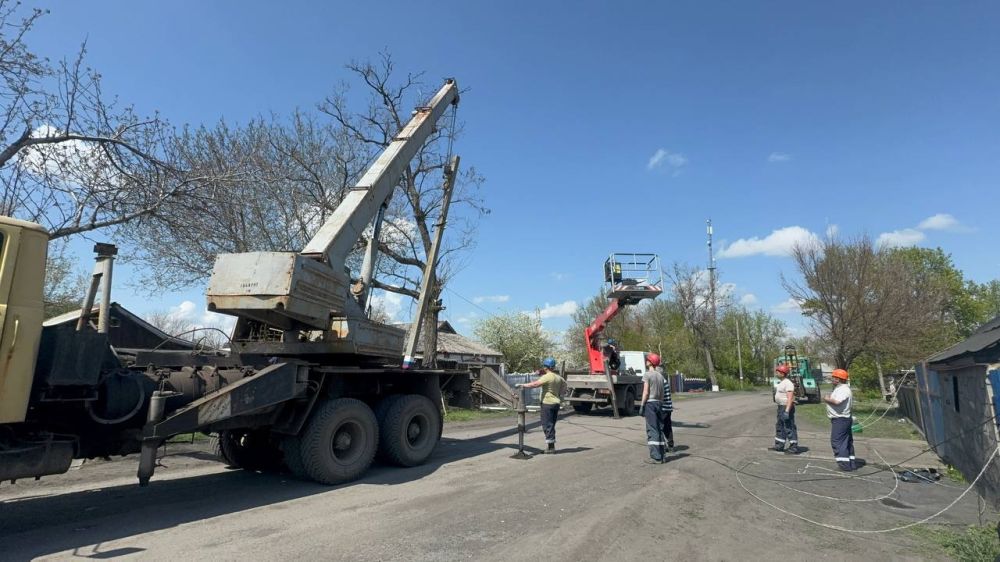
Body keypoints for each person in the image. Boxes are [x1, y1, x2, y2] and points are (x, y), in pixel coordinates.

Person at [516, 357, 566, 454]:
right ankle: (551, 445)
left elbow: (535, 384)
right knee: (551, 424)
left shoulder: (547, 376)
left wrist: (522, 385)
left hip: (547, 403)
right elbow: (564, 387)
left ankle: (551, 448)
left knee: (547, 424)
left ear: (545, 367)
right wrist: (558, 394)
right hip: (556, 403)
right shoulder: (559, 377)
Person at [823, 368, 855, 471]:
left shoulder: (843, 390)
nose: (832, 379)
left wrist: (827, 399)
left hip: (841, 419)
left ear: (839, 379)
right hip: (841, 418)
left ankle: (844, 464)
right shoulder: (840, 388)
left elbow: (837, 402)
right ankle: (850, 462)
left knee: (837, 441)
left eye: (834, 377)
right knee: (846, 441)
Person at [640, 353, 668, 464]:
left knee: (652, 430)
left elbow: (645, 392)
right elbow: (662, 394)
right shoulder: (661, 376)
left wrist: (642, 405)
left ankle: (655, 457)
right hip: (660, 404)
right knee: (660, 429)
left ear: (651, 362)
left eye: (647, 360)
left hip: (650, 405)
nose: (646, 361)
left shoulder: (647, 375)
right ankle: (662, 456)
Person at [770, 364, 800, 454]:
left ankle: (793, 447)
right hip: (780, 407)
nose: (776, 373)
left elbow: (790, 398)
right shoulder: (782, 382)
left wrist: (787, 411)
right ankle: (779, 445)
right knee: (780, 426)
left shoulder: (788, 383)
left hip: (785, 407)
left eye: (778, 372)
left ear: (783, 373)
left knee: (789, 427)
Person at [655, 361, 675, 452]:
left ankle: (664, 447)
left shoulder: (660, 381)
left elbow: (660, 396)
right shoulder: (664, 379)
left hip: (663, 408)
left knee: (660, 427)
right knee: (667, 427)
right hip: (668, 407)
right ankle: (670, 445)